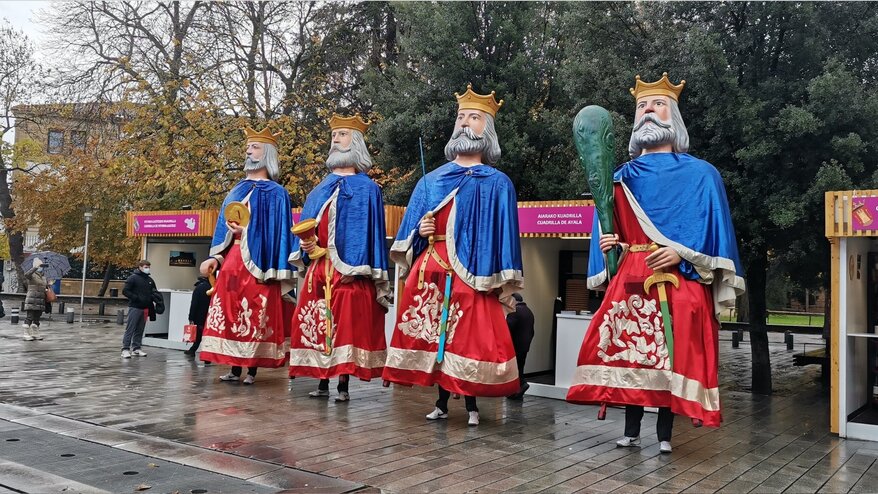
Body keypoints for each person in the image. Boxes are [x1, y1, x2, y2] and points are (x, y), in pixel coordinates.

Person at [566, 73, 745, 453]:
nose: (648, 110)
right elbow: (608, 235)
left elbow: (714, 235)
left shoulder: (702, 175)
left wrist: (682, 252)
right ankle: (631, 431)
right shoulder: (618, 179)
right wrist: (609, 244)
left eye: (658, 104)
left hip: (681, 283)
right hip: (631, 280)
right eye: (642, 106)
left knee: (671, 364)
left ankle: (665, 435)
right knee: (631, 357)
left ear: (674, 116)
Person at [382, 84, 524, 426]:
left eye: (474, 117)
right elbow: (408, 236)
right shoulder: (431, 181)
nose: (464, 123)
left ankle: (472, 406)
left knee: (467, 339)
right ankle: (442, 403)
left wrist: (499, 277)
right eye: (461, 116)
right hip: (433, 267)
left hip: (473, 272)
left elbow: (502, 234)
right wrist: (422, 232)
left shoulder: (497, 183)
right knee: (436, 339)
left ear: (486, 128)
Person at [289, 114, 389, 402]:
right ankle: (322, 382)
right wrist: (307, 248)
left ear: (355, 143)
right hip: (319, 269)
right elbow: (307, 227)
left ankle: (343, 385)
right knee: (316, 322)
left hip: (349, 273)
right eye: (334, 135)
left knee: (346, 326)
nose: (336, 139)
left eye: (343, 135)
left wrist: (357, 268)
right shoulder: (319, 188)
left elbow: (368, 233)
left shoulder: (368, 189)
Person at [198, 126, 296, 385]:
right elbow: (222, 232)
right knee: (230, 310)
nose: (248, 151)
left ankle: (251, 369)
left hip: (260, 264)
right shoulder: (235, 191)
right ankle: (233, 366)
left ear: (267, 155)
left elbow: (277, 234)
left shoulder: (277, 194)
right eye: (248, 147)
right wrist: (215, 258)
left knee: (256, 312)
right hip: (233, 262)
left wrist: (247, 230)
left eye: (255, 147)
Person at [121, 260, 157, 357]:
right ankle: (125, 349)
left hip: (145, 308)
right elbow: (125, 291)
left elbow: (154, 292)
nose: (147, 268)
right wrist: (136, 298)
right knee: (130, 328)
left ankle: (136, 348)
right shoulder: (133, 278)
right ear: (140, 267)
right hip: (135, 307)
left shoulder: (150, 280)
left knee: (140, 329)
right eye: (146, 267)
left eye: (148, 267)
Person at [506, 292, 535, 400]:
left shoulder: (515, 311)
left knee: (514, 369)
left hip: (515, 345)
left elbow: (507, 329)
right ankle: (517, 391)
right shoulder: (529, 311)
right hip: (524, 346)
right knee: (520, 367)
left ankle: (521, 385)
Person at [184, 275, 211, 356]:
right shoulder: (213, 287)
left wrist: (191, 317)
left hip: (199, 316)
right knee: (207, 335)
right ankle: (206, 354)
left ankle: (193, 350)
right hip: (209, 315)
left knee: (198, 334)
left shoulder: (198, 288)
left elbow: (194, 304)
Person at [22, 258, 49, 341]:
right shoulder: (32, 275)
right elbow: (27, 275)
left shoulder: (43, 277)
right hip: (32, 300)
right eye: (40, 266)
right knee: (30, 316)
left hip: (40, 300)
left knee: (37, 318)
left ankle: (35, 333)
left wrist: (47, 287)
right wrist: (35, 267)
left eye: (42, 266)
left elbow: (44, 286)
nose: (41, 267)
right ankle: (26, 334)